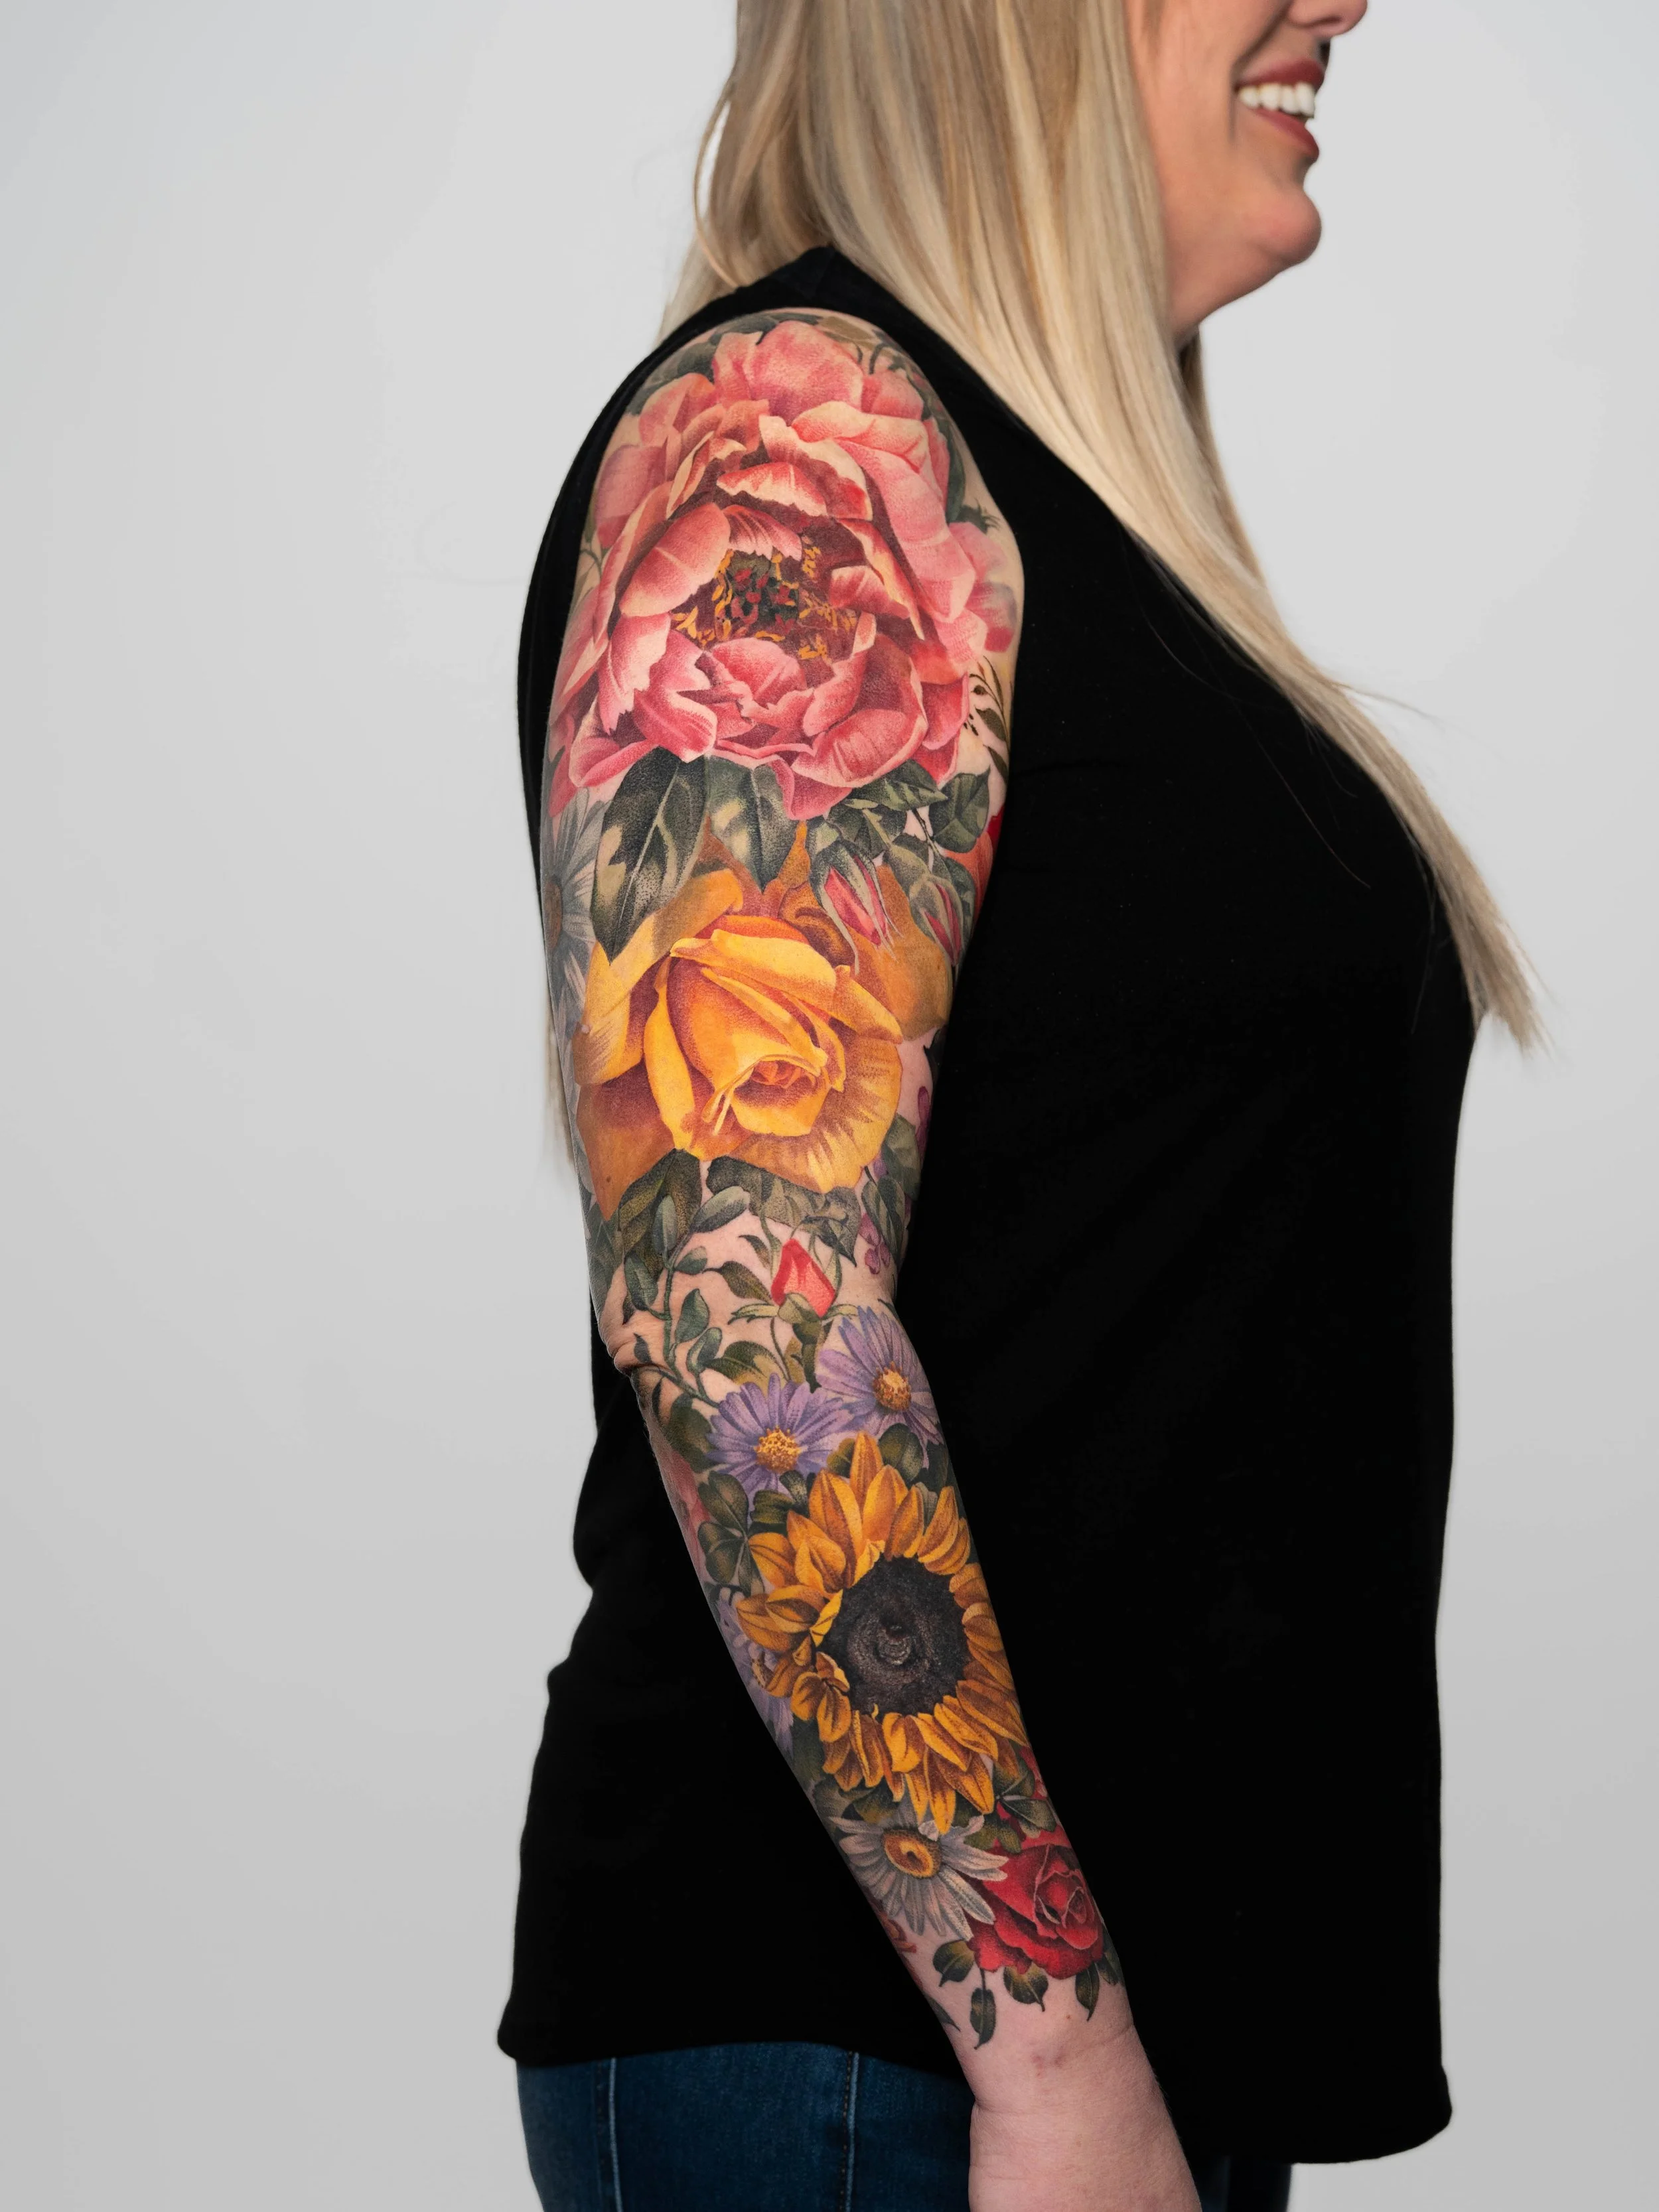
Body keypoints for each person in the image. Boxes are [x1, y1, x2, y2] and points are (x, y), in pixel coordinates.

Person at [501, 4, 1536, 2207]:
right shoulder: (803, 442)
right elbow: (737, 1296)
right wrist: (1051, 2058)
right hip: (898, 2055)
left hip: (1059, 2045)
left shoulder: (1037, 496)